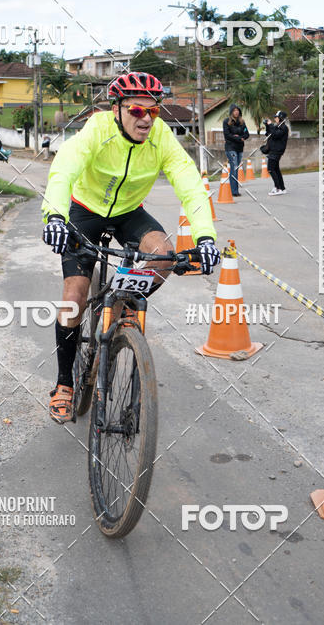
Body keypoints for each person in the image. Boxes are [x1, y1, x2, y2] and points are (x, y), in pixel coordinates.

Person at [41, 71, 221, 424]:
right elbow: (64, 168)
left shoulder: (161, 137)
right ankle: (64, 384)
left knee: (163, 256)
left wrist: (205, 237)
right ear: (117, 109)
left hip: (128, 213)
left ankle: (121, 305)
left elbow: (190, 184)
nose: (146, 119)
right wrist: (55, 217)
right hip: (85, 211)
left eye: (153, 111)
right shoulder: (97, 130)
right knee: (74, 297)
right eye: (137, 110)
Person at [222, 104, 249, 198]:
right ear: (231, 112)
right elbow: (227, 135)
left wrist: (240, 137)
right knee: (234, 168)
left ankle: (234, 189)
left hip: (239, 148)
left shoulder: (242, 122)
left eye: (237, 110)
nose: (236, 112)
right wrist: (238, 138)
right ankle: (234, 191)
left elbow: (247, 134)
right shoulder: (226, 122)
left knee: (236, 169)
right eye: (234, 110)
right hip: (230, 148)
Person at [264, 110, 289, 196]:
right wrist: (267, 126)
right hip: (273, 150)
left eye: (276, 117)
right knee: (276, 170)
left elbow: (275, 135)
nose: (275, 118)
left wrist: (270, 125)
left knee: (270, 168)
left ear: (281, 118)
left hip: (276, 151)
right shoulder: (277, 126)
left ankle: (277, 188)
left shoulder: (284, 128)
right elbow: (268, 134)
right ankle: (282, 188)